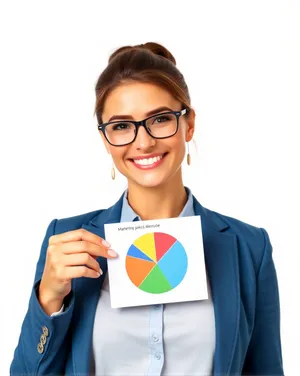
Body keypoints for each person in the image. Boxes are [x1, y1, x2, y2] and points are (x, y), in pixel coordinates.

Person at [10, 42, 284, 376]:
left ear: (189, 124)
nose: (143, 142)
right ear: (105, 139)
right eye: (122, 126)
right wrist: (49, 297)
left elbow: (267, 369)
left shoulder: (248, 248)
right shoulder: (68, 241)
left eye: (160, 119)